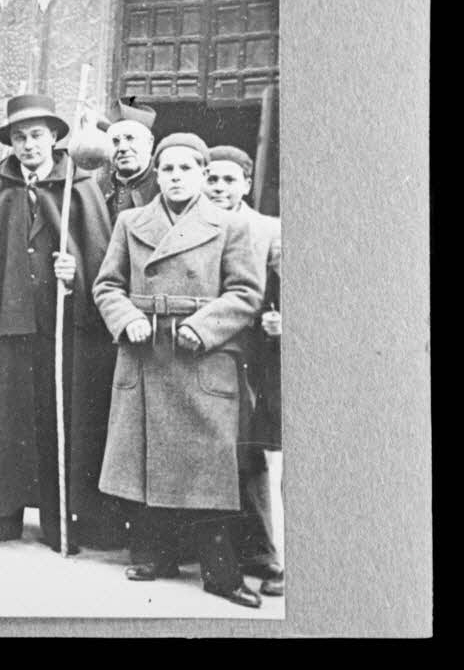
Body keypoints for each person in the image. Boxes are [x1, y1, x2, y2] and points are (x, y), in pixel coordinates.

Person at [0, 93, 121, 552]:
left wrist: (77, 276)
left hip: (60, 331)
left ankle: (60, 520)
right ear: (10, 143)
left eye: (36, 135)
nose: (29, 145)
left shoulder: (81, 187)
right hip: (1, 330)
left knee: (62, 423)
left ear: (54, 137)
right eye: (19, 137)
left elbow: (102, 260)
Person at [92, 133, 265, 608]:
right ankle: (156, 555)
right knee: (147, 456)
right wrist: (126, 318)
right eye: (167, 169)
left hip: (199, 354)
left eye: (186, 169)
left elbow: (246, 293)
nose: (174, 178)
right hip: (145, 350)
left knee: (207, 464)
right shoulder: (131, 222)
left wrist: (203, 327)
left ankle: (220, 572)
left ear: (203, 175)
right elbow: (107, 284)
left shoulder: (230, 226)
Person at [205, 144, 284, 597]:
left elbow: (291, 285)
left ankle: (265, 554)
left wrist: (280, 321)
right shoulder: (193, 226)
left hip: (252, 353)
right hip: (206, 350)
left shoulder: (267, 229)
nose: (218, 188)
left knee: (248, 452)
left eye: (228, 180)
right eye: (212, 179)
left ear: (247, 184)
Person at [95, 97, 160, 227]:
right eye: (115, 141)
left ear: (149, 142)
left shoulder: (162, 184)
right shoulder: (98, 187)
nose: (122, 148)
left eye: (130, 138)